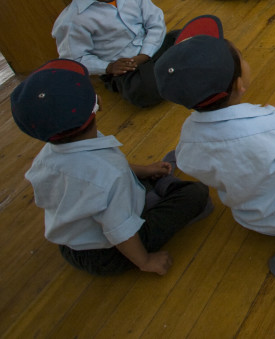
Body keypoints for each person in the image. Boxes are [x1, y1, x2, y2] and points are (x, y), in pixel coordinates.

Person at [155, 15, 275, 278]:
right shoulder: (266, 122)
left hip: (254, 218)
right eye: (243, 57)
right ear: (240, 84)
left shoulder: (188, 139)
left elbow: (190, 161)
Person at [11, 58, 211, 276]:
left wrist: (144, 170)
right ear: (97, 104)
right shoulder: (108, 174)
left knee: (126, 185)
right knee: (195, 194)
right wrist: (145, 261)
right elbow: (120, 230)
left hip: (72, 245)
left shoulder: (47, 156)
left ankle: (154, 185)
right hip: (108, 253)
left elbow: (99, 177)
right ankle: (160, 191)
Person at [52, 0, 175, 108]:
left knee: (189, 37)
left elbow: (156, 23)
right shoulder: (73, 19)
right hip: (124, 68)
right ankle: (171, 71)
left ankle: (166, 70)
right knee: (145, 91)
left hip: (151, 50)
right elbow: (75, 59)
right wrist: (108, 67)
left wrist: (145, 54)